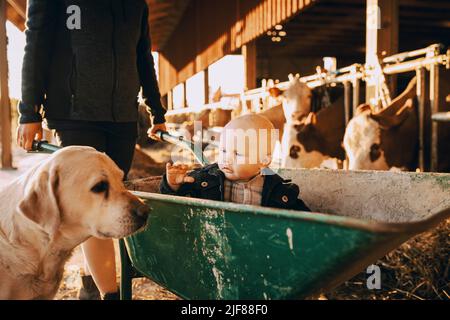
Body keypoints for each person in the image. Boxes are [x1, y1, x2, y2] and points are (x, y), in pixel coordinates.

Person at [16, 0, 166, 300]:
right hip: (73, 113)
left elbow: (142, 56)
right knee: (95, 203)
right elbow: (36, 42)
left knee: (112, 201)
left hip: (122, 116)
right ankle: (111, 294)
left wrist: (156, 111)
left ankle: (90, 282)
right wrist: (28, 112)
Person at [160, 114, 310, 212]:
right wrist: (172, 185)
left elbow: (305, 222)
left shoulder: (279, 191)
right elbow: (175, 207)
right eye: (224, 151)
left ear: (264, 161)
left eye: (237, 153)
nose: (226, 159)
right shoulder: (204, 179)